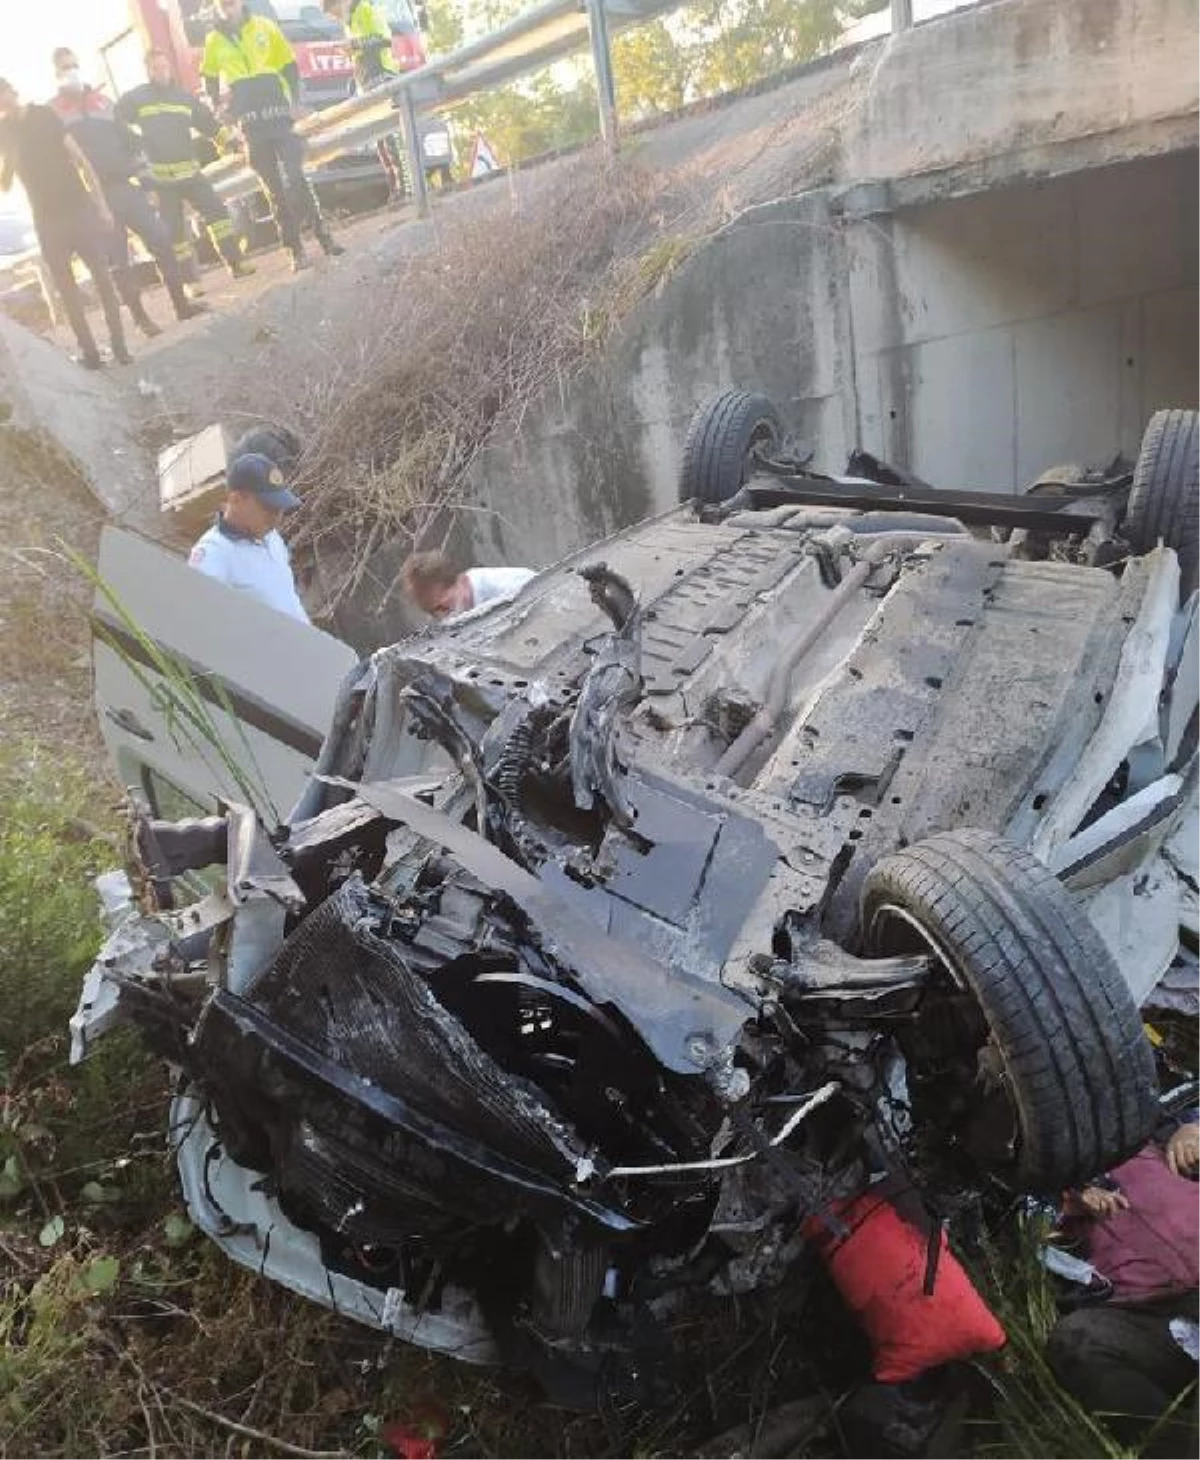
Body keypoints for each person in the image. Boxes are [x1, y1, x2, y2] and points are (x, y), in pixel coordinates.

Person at [1046, 1117, 1200, 1455]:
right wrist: (1067, 1204)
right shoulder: (1039, 1178)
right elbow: (1028, 1244)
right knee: (1074, 1340)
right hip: (1146, 1317)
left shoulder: (1157, 1114)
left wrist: (1194, 1128)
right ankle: (1182, 1447)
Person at [50, 47, 205, 338]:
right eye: (63, 68)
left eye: (73, 65)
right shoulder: (53, 113)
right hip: (94, 200)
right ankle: (142, 320)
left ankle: (181, 306)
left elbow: (130, 143)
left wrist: (148, 183)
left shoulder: (103, 102)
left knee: (161, 239)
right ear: (55, 75)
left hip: (125, 188)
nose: (69, 71)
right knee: (119, 262)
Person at [201, 0, 344, 273]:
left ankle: (325, 239)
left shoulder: (265, 27)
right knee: (274, 191)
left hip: (279, 117)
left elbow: (289, 66)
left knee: (296, 177)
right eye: (222, 3)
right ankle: (295, 251)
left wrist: (294, 100)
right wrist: (218, 107)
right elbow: (208, 78)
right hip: (251, 126)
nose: (227, 6)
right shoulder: (214, 40)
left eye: (231, 2)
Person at [0, 78, 130, 369]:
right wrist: (8, 156)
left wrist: (102, 206)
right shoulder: (3, 132)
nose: (3, 102)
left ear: (13, 92)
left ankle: (120, 345)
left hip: (77, 208)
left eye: (3, 94)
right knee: (67, 291)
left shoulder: (43, 115)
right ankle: (91, 354)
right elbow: (5, 184)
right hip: (47, 220)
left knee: (103, 279)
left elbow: (80, 159)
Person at [116, 49, 255, 285]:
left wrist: (231, 142)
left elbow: (207, 123)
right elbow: (116, 121)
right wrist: (134, 152)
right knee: (176, 235)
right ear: (148, 71)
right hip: (163, 180)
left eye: (163, 67)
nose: (161, 72)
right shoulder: (136, 98)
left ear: (169, 68)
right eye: (155, 68)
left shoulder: (183, 98)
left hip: (191, 173)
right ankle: (190, 283)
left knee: (218, 215)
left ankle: (236, 263)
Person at [188, 452, 310, 623]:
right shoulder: (213, 554)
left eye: (280, 508)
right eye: (268, 508)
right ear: (236, 499)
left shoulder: (272, 538)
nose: (277, 518)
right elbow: (201, 622)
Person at [322, 0, 407, 203]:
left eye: (334, 13)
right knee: (380, 140)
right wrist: (351, 50)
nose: (335, 18)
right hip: (366, 83)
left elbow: (384, 39)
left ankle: (407, 187)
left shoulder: (366, 10)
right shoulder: (349, 24)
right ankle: (395, 188)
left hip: (382, 77)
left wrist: (355, 44)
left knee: (390, 136)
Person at [401, 550, 536, 620]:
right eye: (434, 612)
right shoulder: (455, 614)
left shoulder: (514, 588)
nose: (444, 617)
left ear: (462, 581)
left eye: (445, 607)